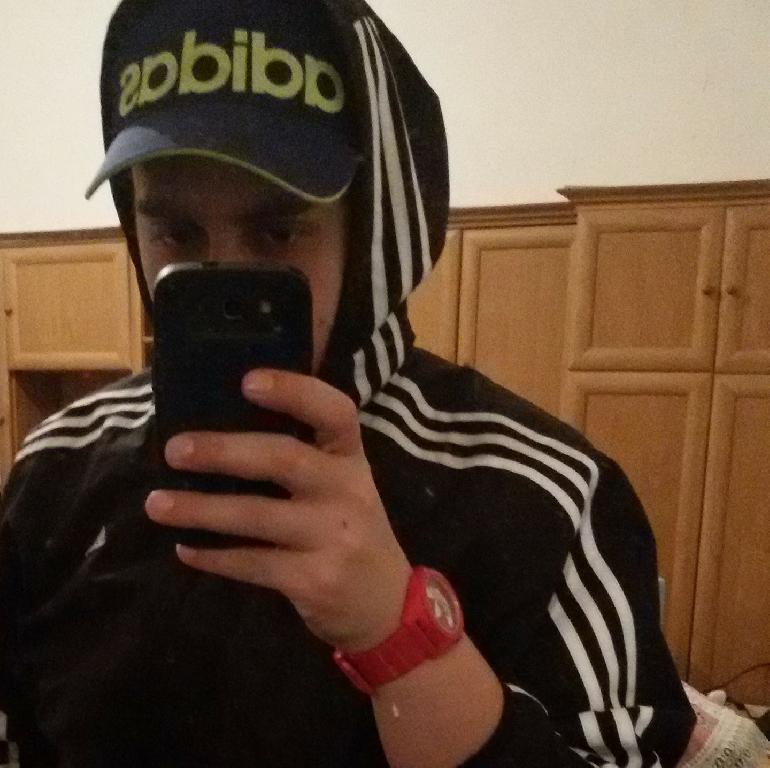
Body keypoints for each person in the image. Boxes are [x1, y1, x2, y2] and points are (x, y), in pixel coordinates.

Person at [0, 1, 696, 765]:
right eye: (176, 231)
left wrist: (399, 634)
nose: (219, 270)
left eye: (278, 230)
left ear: (366, 231)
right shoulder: (56, 469)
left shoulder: (546, 498)